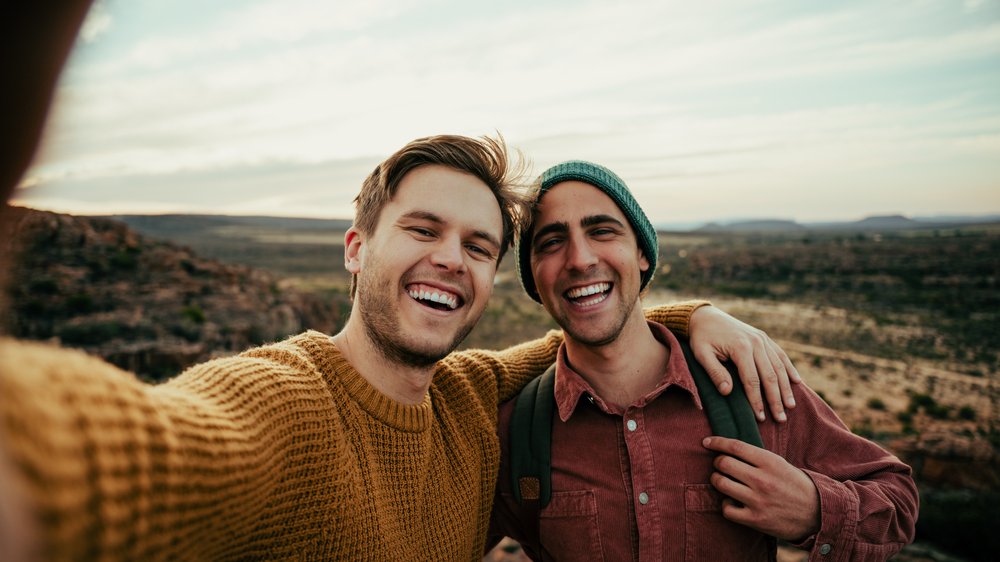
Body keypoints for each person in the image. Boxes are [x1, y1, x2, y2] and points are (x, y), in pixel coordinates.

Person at [0, 6, 801, 560]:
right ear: (356, 247)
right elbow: (141, 455)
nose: (452, 258)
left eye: (478, 245)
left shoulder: (465, 398)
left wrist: (691, 315)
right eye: (422, 230)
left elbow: (583, 329)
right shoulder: (285, 402)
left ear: (492, 274)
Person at [490, 161, 919, 561]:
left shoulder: (749, 387)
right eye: (551, 241)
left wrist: (813, 509)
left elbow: (897, 500)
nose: (581, 259)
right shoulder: (514, 433)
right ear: (533, 278)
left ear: (642, 254)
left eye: (602, 231)